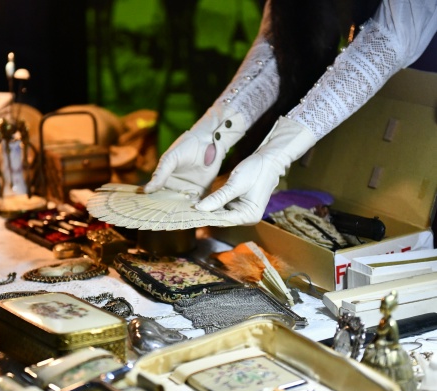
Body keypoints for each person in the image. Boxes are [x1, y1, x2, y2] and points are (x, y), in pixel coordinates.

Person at [144, 0, 437, 226]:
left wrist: (275, 157)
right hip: (354, 115)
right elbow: (284, 44)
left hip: (421, 125)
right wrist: (213, 133)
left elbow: (391, 39)